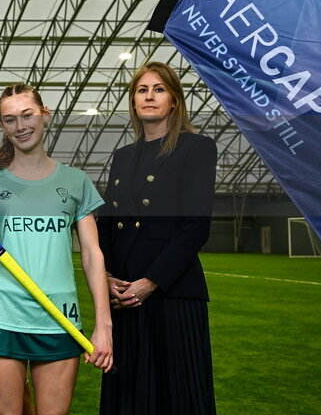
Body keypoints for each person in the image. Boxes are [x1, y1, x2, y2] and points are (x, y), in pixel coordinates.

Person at [0, 84, 113, 415]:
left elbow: (92, 256)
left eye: (27, 115)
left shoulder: (77, 181)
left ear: (44, 114)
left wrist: (103, 326)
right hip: (1, 316)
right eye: (9, 120)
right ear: (1, 125)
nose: (20, 127)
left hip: (60, 319)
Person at [97, 62, 218, 415]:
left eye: (159, 89)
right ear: (133, 101)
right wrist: (105, 277)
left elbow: (195, 227)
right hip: (123, 295)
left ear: (175, 101)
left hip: (172, 293)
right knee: (129, 396)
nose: (149, 96)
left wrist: (150, 282)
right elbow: (108, 224)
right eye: (141, 90)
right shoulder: (123, 156)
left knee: (179, 396)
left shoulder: (196, 147)